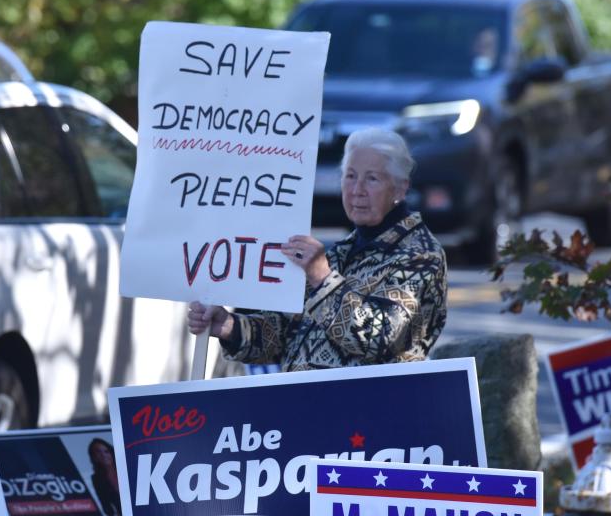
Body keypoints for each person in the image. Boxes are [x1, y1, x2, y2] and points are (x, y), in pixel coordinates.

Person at [187, 128, 447, 371]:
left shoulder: (420, 255)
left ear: (400, 188)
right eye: (350, 176)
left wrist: (323, 279)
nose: (357, 190)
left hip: (367, 413)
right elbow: (281, 336)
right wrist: (231, 328)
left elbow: (378, 338)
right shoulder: (339, 253)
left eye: (372, 179)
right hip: (304, 407)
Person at [87, 437, 123, 516]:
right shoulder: (97, 479)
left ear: (111, 453)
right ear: (94, 457)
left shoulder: (126, 469)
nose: (103, 455)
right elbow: (105, 504)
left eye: (106, 451)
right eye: (98, 452)